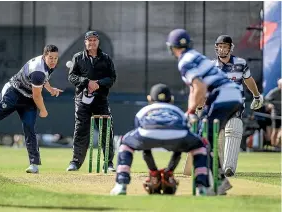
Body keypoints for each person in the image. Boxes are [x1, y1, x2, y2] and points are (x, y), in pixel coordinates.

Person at [166, 29, 244, 195]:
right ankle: (220, 180)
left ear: (171, 47)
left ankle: (216, 182)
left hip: (222, 97)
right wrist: (191, 112)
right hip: (234, 96)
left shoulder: (184, 62)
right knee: (204, 138)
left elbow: (199, 87)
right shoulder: (195, 55)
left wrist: (191, 111)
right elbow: (196, 90)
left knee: (202, 142)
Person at [0, 44, 63, 174]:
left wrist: (51, 89)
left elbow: (43, 81)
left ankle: (34, 164)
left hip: (28, 99)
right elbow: (37, 95)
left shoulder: (48, 66)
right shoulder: (38, 71)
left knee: (29, 128)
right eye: (50, 58)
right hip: (13, 94)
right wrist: (43, 110)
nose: (53, 61)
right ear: (44, 56)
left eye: (56, 58)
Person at [110, 83, 213, 196]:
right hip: (178, 134)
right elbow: (183, 132)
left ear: (149, 99)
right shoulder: (177, 110)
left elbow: (144, 144)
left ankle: (121, 184)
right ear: (171, 99)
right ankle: (202, 187)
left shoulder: (144, 110)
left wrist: (153, 170)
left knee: (125, 143)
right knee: (200, 146)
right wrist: (170, 170)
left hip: (147, 133)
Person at [211, 35, 263, 176]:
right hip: (216, 106)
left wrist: (257, 95)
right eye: (220, 46)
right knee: (217, 135)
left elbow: (249, 80)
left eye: (225, 46)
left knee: (233, 129)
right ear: (216, 48)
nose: (222, 49)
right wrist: (198, 106)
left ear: (230, 48)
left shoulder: (240, 63)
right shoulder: (211, 66)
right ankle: (215, 166)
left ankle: (229, 167)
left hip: (235, 104)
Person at [67, 31, 116, 172]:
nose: (92, 43)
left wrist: (98, 83)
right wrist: (86, 82)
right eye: (89, 40)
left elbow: (112, 78)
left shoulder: (106, 59)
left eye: (94, 40)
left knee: (106, 130)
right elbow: (72, 77)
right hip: (82, 99)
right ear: (85, 42)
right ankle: (75, 162)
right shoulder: (78, 58)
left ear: (98, 42)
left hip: (100, 99)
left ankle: (109, 162)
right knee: (81, 129)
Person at [265, 79, 281, 148]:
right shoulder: (274, 92)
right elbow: (266, 100)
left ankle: (278, 145)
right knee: (275, 130)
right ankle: (273, 146)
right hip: (276, 114)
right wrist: (269, 105)